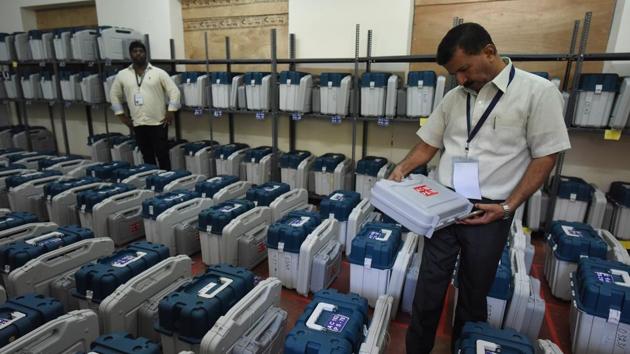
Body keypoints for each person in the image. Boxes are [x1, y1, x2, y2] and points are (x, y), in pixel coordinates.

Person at [391, 23, 571, 353]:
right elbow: (428, 144)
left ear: (489, 51)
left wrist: (508, 206)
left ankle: (466, 346)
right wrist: (401, 169)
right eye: (454, 74)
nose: (460, 79)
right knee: (429, 286)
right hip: (443, 206)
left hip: (489, 212)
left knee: (474, 294)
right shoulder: (453, 97)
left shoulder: (537, 92)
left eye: (464, 69)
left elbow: (546, 156)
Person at [109, 40, 180, 170]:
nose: (138, 54)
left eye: (141, 51)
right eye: (135, 51)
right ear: (130, 54)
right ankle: (152, 179)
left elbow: (174, 92)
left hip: (158, 122)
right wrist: (121, 115)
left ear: (145, 53)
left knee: (162, 154)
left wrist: (171, 111)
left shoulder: (158, 73)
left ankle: (166, 180)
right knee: (147, 155)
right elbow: (114, 95)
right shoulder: (122, 75)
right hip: (138, 123)